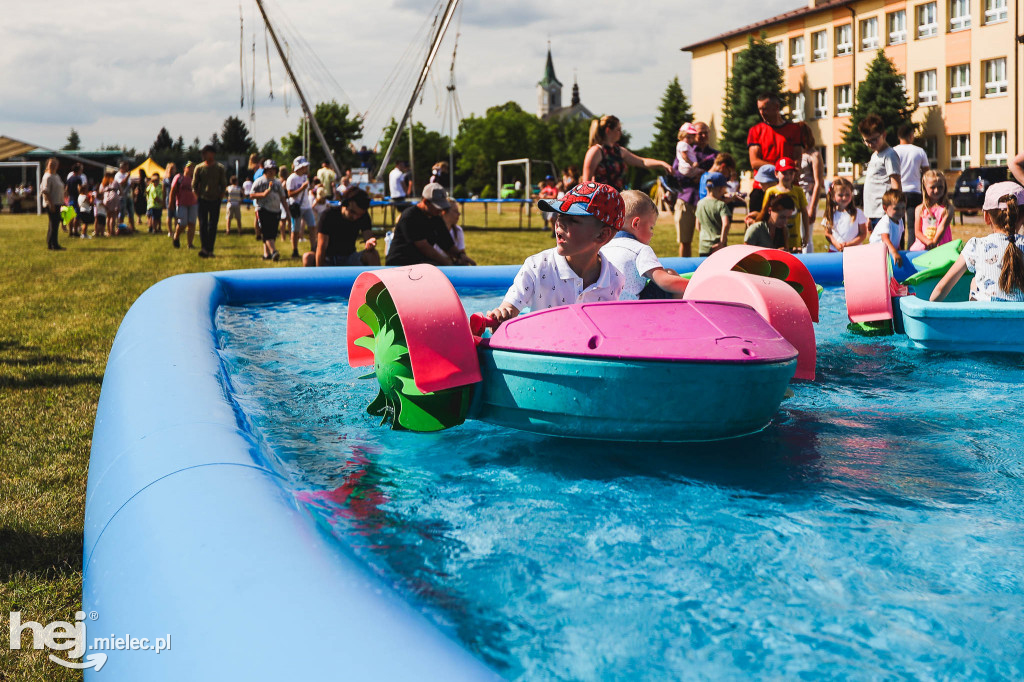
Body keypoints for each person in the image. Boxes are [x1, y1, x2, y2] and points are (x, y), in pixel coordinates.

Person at [484, 182, 626, 324]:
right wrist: (502, 315)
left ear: (602, 235)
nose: (559, 223)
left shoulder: (614, 279)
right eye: (559, 215)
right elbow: (510, 306)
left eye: (572, 219)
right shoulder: (537, 267)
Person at [931, 183, 1024, 302]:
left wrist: (929, 309)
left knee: (974, 282)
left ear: (986, 216)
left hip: (983, 319)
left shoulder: (976, 246)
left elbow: (940, 289)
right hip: (1019, 319)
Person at [601, 190, 688, 300]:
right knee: (670, 273)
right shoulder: (639, 250)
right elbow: (664, 281)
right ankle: (678, 314)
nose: (652, 233)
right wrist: (693, 284)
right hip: (631, 309)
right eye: (651, 227)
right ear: (636, 224)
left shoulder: (603, 247)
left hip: (601, 307)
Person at [385, 183, 469, 266]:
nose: (441, 210)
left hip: (421, 263)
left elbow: (447, 243)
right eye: (438, 206)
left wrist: (460, 255)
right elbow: (424, 247)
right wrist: (448, 264)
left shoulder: (435, 217)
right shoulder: (410, 216)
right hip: (400, 263)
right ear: (425, 202)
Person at [581, 115, 672, 191]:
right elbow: (586, 182)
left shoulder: (619, 151)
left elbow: (642, 162)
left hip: (617, 199)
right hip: (599, 201)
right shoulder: (596, 151)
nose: (621, 133)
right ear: (608, 130)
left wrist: (662, 164)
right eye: (618, 129)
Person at [673, 120, 719, 257]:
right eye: (700, 133)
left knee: (710, 240)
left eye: (706, 133)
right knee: (685, 240)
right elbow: (676, 173)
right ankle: (686, 270)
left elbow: (721, 177)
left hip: (707, 203)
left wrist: (702, 177)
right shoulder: (684, 150)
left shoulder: (715, 155)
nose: (703, 136)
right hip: (686, 199)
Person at [303, 187, 379, 267]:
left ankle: (378, 279)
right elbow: (321, 247)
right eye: (352, 212)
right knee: (308, 257)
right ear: (345, 203)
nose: (355, 217)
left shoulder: (363, 216)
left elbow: (368, 237)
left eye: (359, 215)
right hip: (327, 257)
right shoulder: (328, 215)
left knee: (373, 255)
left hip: (349, 256)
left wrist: (370, 242)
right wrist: (320, 273)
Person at [859, 114, 902, 230]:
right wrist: (868, 215)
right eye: (867, 141)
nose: (871, 144)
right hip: (874, 213)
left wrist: (895, 211)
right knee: (876, 247)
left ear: (884, 135)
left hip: (885, 214)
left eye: (875, 139)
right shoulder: (875, 155)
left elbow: (896, 184)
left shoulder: (889, 155)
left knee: (887, 247)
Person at [747, 92, 805, 174]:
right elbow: (754, 162)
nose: (761, 113)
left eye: (765, 109)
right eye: (759, 109)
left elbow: (797, 159)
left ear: (777, 107)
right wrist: (780, 169)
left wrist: (789, 171)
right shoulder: (755, 130)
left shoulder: (794, 129)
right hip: (764, 183)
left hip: (787, 182)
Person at [760, 157, 810, 251]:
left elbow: (804, 213)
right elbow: (764, 214)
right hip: (776, 237)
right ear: (776, 174)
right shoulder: (771, 192)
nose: (787, 176)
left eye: (790, 173)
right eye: (784, 173)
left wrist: (806, 234)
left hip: (794, 236)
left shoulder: (798, 191)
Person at [894, 124, 930, 247]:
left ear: (899, 136)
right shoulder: (919, 151)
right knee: (913, 225)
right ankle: (912, 250)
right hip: (915, 192)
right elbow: (927, 173)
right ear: (911, 136)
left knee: (899, 224)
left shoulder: (894, 151)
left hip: (898, 192)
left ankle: (899, 250)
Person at [193, 144, 228, 258]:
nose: (204, 155)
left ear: (212, 154)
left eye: (206, 153)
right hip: (203, 200)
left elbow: (223, 184)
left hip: (215, 200)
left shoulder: (219, 168)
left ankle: (210, 249)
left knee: (213, 225)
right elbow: (194, 185)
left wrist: (220, 197)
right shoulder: (199, 168)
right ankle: (204, 248)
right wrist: (197, 196)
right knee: (203, 224)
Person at [249, 159, 287, 261]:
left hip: (275, 210)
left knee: (272, 233)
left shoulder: (278, 182)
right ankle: (274, 251)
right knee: (266, 232)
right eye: (269, 169)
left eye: (273, 169)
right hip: (263, 209)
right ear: (265, 170)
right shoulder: (259, 181)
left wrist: (287, 211)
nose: (271, 171)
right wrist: (263, 194)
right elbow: (251, 195)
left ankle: (266, 254)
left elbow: (283, 197)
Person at [910, 170, 953, 251]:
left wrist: (934, 243)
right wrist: (928, 242)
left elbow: (942, 228)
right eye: (932, 187)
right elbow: (917, 231)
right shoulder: (920, 209)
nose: (936, 190)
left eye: (940, 187)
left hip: (940, 246)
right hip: (924, 246)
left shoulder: (947, 209)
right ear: (925, 187)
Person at [822, 177, 867, 252]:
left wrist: (849, 244)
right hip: (835, 251)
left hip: (855, 251)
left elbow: (863, 234)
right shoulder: (830, 214)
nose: (844, 197)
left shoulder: (858, 213)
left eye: (847, 194)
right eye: (840, 195)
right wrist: (836, 244)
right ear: (833, 196)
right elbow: (828, 233)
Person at [285, 157, 316, 258]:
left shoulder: (304, 177)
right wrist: (301, 188)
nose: (306, 168)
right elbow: (290, 194)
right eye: (304, 166)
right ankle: (295, 250)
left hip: (307, 206)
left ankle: (313, 247)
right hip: (297, 207)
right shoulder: (292, 179)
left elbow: (306, 190)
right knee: (296, 230)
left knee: (312, 226)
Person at [696, 172, 731, 257]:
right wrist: (722, 242)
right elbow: (726, 224)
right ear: (720, 189)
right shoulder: (721, 205)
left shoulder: (700, 203)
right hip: (717, 246)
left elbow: (697, 226)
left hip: (703, 246)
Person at [868, 189, 906, 267]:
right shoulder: (886, 221)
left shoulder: (900, 220)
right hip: (874, 253)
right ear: (885, 208)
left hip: (887, 251)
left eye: (903, 208)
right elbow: (885, 239)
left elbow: (897, 238)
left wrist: (899, 250)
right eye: (896, 209)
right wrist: (894, 252)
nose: (901, 212)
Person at [798, 123, 824, 224]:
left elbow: (818, 182)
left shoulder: (814, 155)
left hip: (808, 196)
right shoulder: (797, 153)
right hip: (796, 194)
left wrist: (812, 208)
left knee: (805, 231)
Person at [169, 161, 198, 249]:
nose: (191, 169)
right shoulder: (179, 177)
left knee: (192, 223)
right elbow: (173, 191)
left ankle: (190, 244)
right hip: (181, 204)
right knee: (182, 223)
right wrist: (171, 203)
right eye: (189, 167)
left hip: (193, 203)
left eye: (193, 167)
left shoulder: (195, 179)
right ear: (184, 168)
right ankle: (176, 237)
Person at [40, 157, 65, 250]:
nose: (53, 166)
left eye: (55, 164)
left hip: (58, 202)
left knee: (54, 223)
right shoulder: (47, 176)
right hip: (52, 203)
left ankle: (51, 243)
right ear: (48, 165)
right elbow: (45, 191)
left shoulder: (56, 176)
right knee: (54, 223)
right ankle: (54, 244)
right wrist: (51, 204)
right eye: (51, 164)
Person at [64, 163, 86, 237]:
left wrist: (66, 198)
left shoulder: (69, 179)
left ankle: (70, 232)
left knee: (71, 216)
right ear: (78, 170)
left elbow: (66, 189)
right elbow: (79, 189)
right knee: (77, 216)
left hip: (70, 198)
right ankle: (75, 231)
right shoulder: (78, 178)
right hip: (76, 199)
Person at [114, 161, 136, 232]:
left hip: (129, 195)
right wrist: (127, 177)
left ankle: (132, 228)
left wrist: (132, 185)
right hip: (121, 197)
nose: (128, 168)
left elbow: (128, 184)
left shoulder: (127, 174)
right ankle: (120, 228)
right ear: (122, 167)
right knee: (122, 213)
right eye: (126, 166)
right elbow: (122, 184)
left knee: (131, 212)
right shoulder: (118, 175)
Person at [163, 163, 178, 237]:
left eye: (173, 168)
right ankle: (170, 231)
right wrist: (163, 200)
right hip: (168, 199)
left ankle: (176, 231)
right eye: (171, 168)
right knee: (169, 216)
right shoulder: (166, 179)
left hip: (176, 199)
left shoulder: (176, 177)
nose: (172, 170)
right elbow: (164, 191)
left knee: (176, 216)